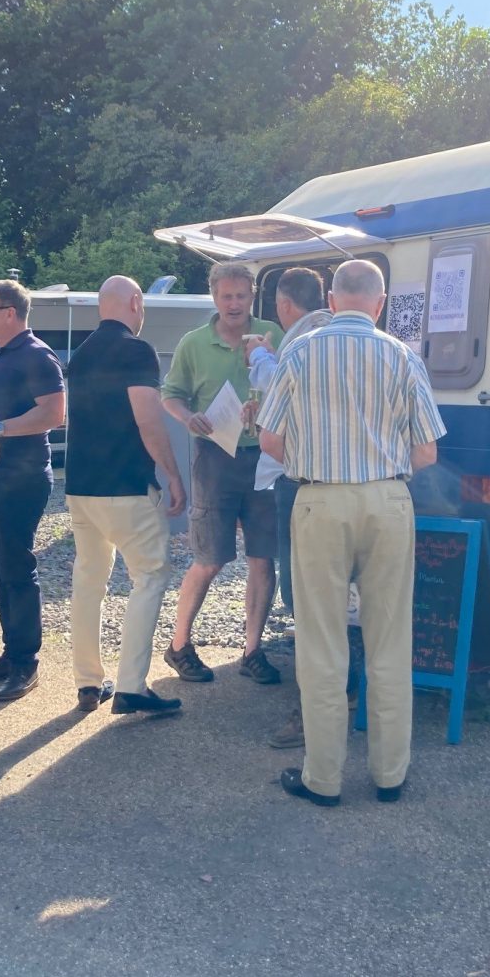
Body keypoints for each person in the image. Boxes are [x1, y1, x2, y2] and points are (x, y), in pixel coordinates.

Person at [257, 259, 446, 807]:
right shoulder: (403, 356)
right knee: (390, 639)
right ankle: (390, 775)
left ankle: (324, 779)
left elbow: (270, 440)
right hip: (388, 499)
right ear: (380, 304)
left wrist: (313, 458)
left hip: (319, 498)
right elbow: (427, 451)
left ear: (332, 301)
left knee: (322, 643)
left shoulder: (299, 351)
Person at [244, 266, 362, 750]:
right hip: (360, 486)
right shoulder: (365, 344)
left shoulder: (302, 342)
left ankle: (318, 708)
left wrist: (258, 358)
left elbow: (277, 419)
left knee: (304, 597)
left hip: (301, 482)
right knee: (346, 595)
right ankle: (349, 693)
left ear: (283, 305)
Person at [65, 276, 188, 716]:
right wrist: (172, 473)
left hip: (80, 487)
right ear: (136, 302)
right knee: (150, 576)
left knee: (89, 580)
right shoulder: (137, 351)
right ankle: (132, 686)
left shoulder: (80, 353)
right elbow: (148, 419)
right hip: (127, 486)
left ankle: (87, 681)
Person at [160, 262, 284, 685]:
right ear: (214, 296)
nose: (234, 304)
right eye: (226, 296)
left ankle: (252, 651)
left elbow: (290, 388)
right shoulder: (194, 342)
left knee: (263, 557)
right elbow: (170, 395)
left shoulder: (271, 334)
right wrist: (188, 416)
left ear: (253, 296)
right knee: (209, 558)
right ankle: (179, 645)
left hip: (265, 455)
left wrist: (266, 407)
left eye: (241, 296)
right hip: (214, 456)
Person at [0, 280, 66, 702]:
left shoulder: (37, 355)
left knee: (17, 569)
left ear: (10, 313)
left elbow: (54, 413)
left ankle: (26, 662)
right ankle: (11, 654)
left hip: (20, 478)